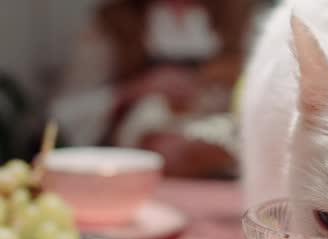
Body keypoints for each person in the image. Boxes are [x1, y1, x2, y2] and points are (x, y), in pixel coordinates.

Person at [50, 0, 253, 177]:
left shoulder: (242, 20)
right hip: (138, 164)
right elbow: (66, 112)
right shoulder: (112, 23)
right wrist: (136, 89)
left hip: (221, 157)